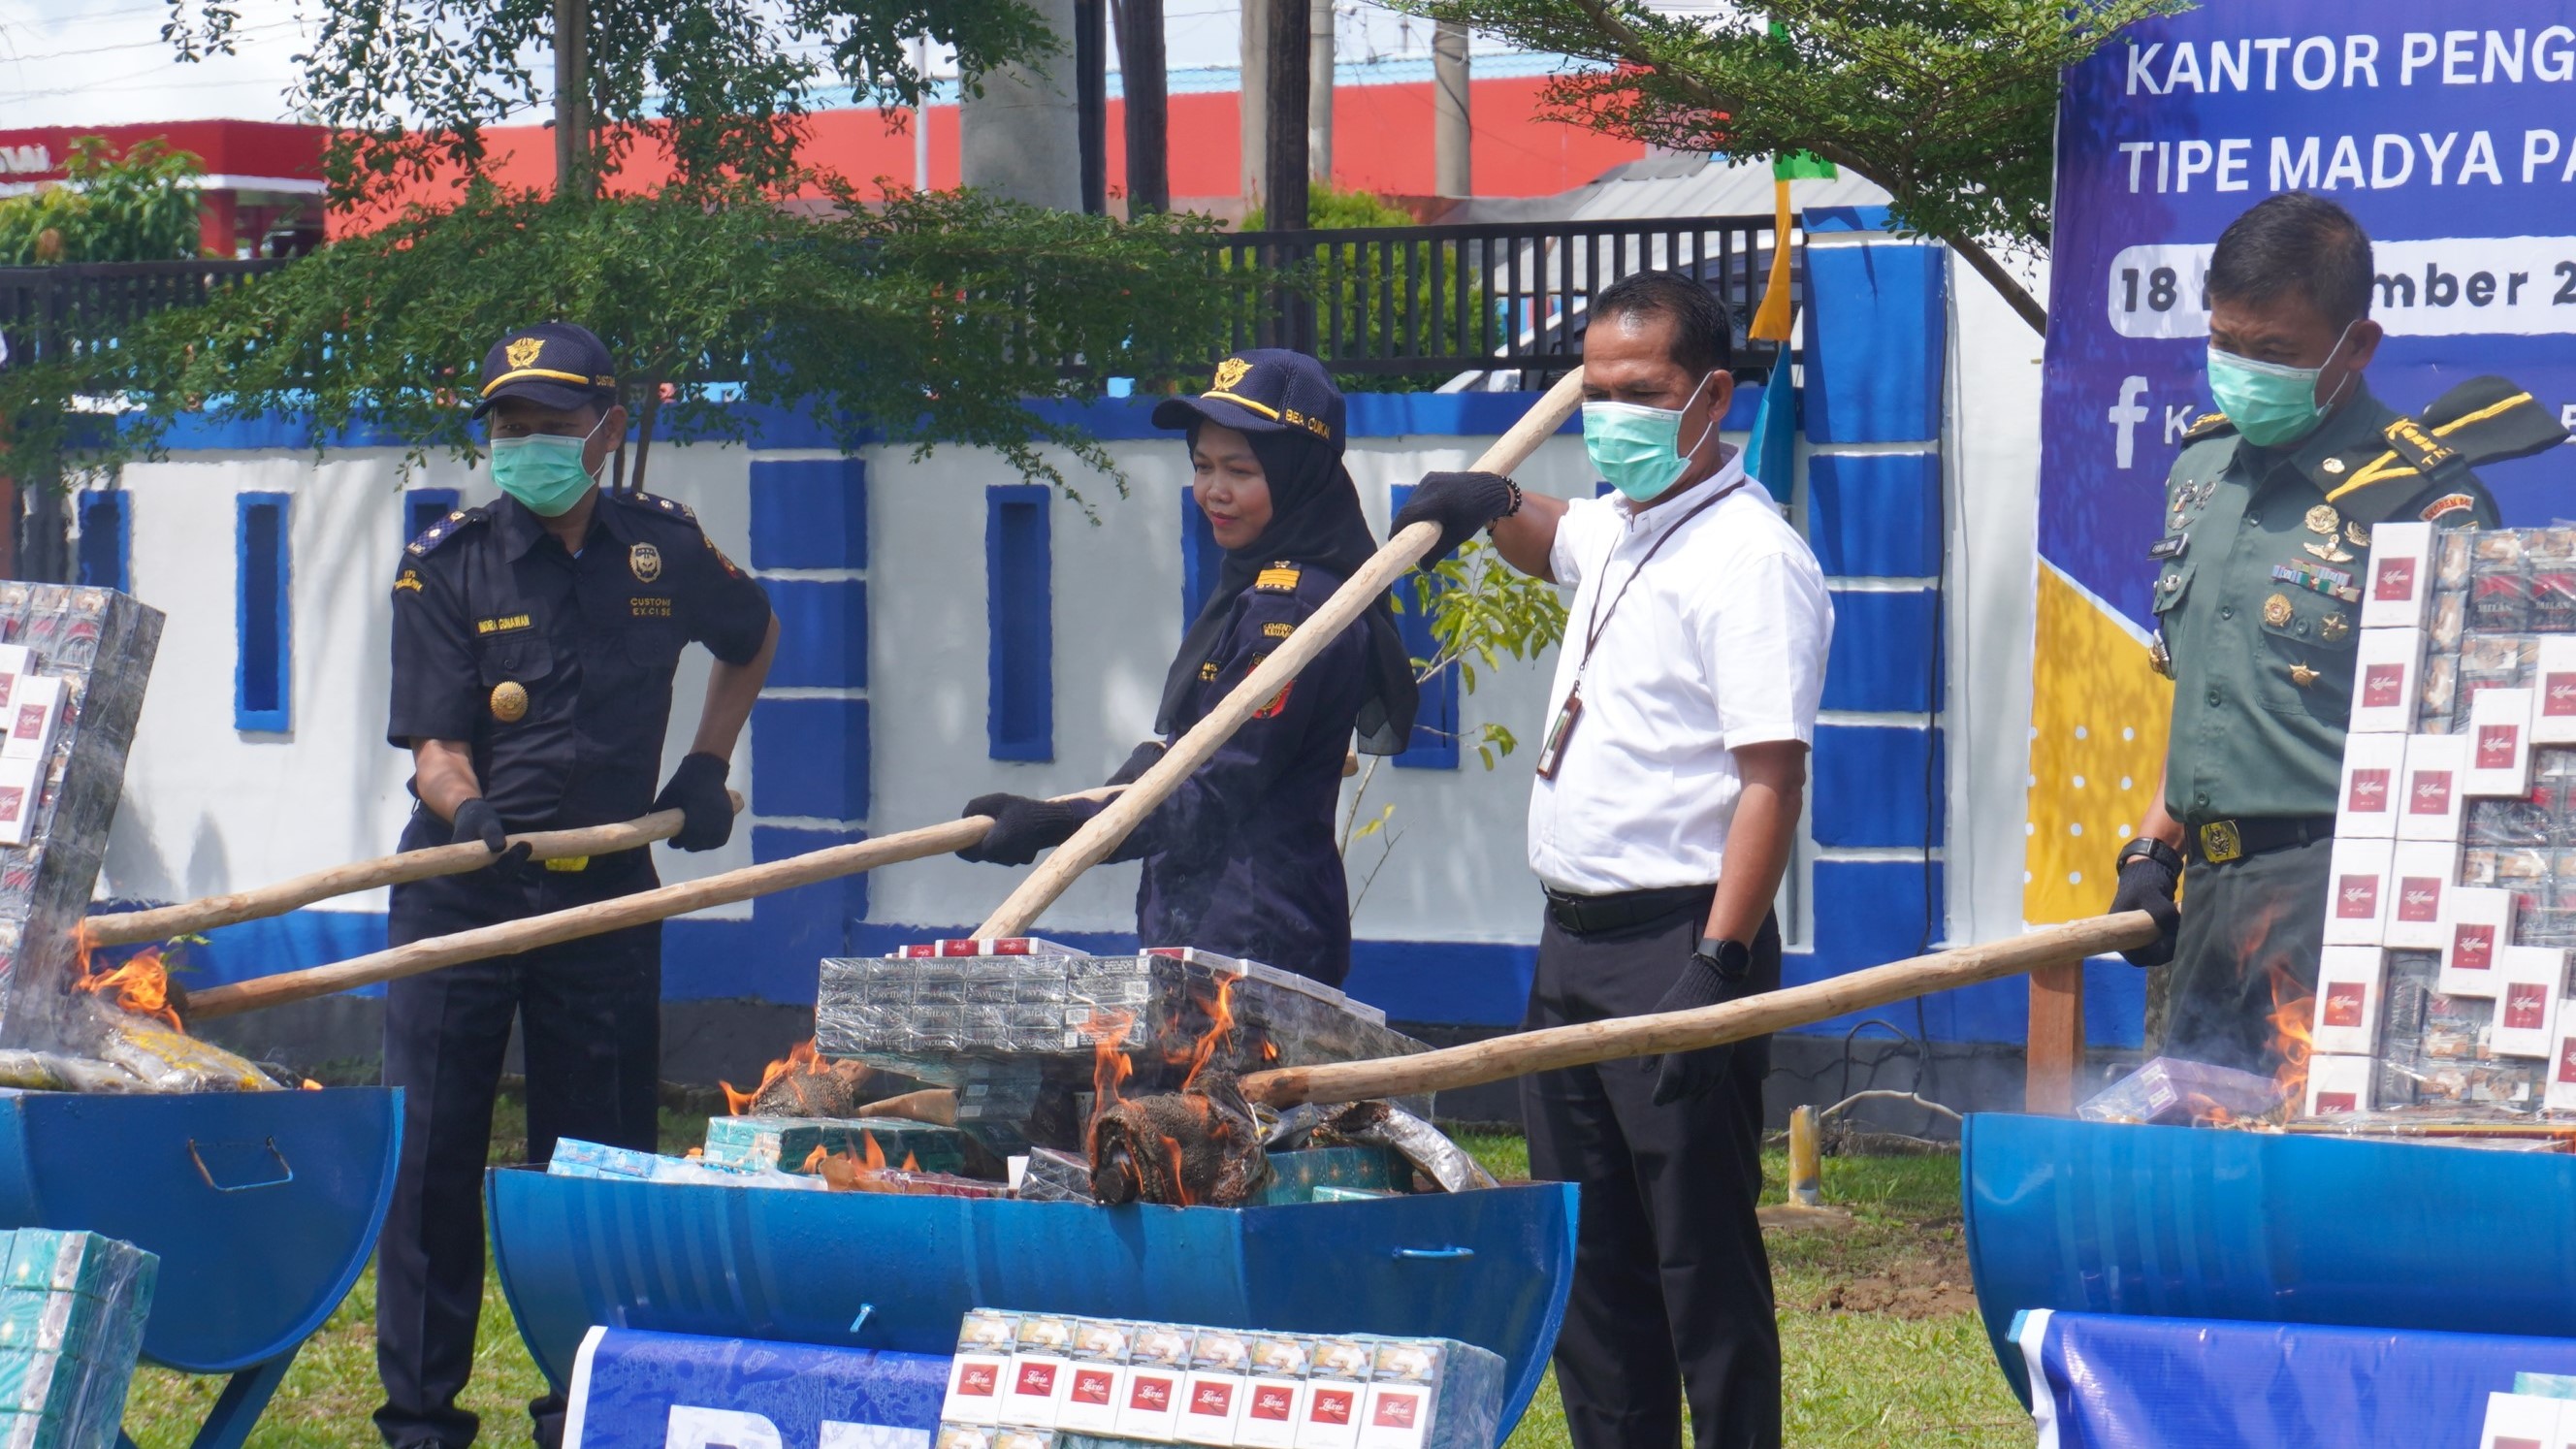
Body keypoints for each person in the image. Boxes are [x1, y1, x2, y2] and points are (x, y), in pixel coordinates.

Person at [1394, 270, 1831, 1449]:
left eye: (1642, 391)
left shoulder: (1750, 560)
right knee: (1591, 1260)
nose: (1614, 414)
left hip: (1682, 944)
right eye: (1597, 390)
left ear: (1712, 398)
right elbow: (1553, 540)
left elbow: (1770, 783)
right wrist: (1486, 500)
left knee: (1699, 1255)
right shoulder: (1627, 523)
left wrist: (1716, 965)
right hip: (1573, 944)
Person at [376, 321, 777, 1449]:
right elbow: (435, 749)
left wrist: (705, 764)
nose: (526, 447)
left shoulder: (664, 547)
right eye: (508, 428)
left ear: (605, 431)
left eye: (550, 427)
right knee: (432, 1162)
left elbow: (752, 636)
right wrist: (471, 812)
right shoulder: (447, 563)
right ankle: (419, 1422)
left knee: (596, 1165)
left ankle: (589, 1409)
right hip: (465, 883)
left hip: (604, 890)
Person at [2101, 193, 2571, 1073]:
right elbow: (2218, 697)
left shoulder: (2426, 502)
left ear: (2355, 346)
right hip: (2211, 897)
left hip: (2348, 900)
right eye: (2224, 343)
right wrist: (2152, 849)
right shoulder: (2203, 469)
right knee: (2211, 1175)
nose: (2241, 370)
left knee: (2314, 1178)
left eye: (2272, 351)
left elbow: (2482, 755)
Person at [951, 349, 1415, 986]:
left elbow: (1211, 793)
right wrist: (1085, 799)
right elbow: (1190, 755)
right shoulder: (1255, 586)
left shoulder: (1296, 612)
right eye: (1202, 466)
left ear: (1297, 473)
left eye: (1239, 470)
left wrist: (1056, 826)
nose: (1213, 492)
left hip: (1252, 950)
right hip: (1209, 933)